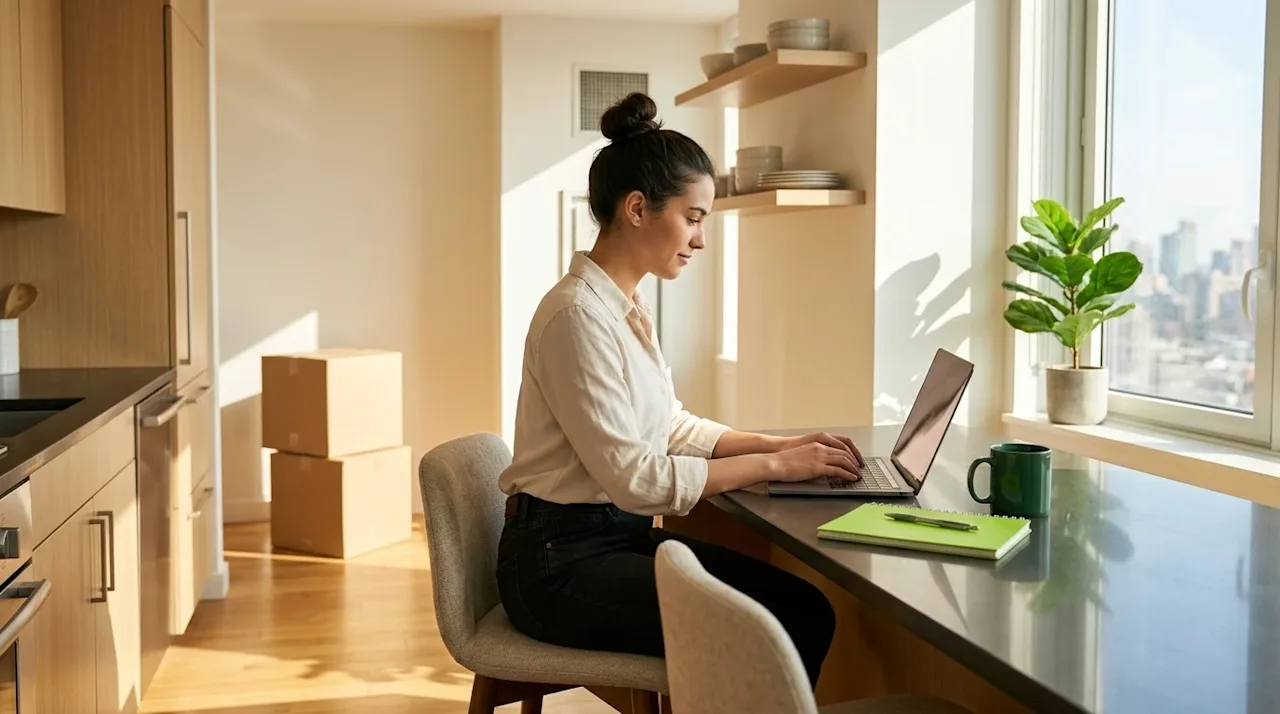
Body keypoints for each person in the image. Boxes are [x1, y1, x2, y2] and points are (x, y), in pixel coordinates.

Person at [494, 92, 865, 689]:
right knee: (784, 619)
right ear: (638, 208)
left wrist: (781, 447)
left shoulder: (625, 308)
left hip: (613, 540)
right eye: (693, 219)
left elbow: (670, 426)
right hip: (557, 568)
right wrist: (770, 464)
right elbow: (637, 478)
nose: (699, 240)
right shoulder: (576, 318)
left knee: (804, 607)